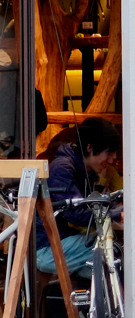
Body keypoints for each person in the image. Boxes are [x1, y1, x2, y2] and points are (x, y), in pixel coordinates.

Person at [35, 116, 122, 281]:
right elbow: (76, 213)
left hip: (61, 240)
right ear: (90, 147)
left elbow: (91, 207)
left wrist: (117, 210)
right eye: (109, 153)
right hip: (45, 248)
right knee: (113, 251)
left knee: (109, 270)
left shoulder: (84, 171)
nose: (111, 160)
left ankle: (96, 298)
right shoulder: (63, 169)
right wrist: (117, 214)